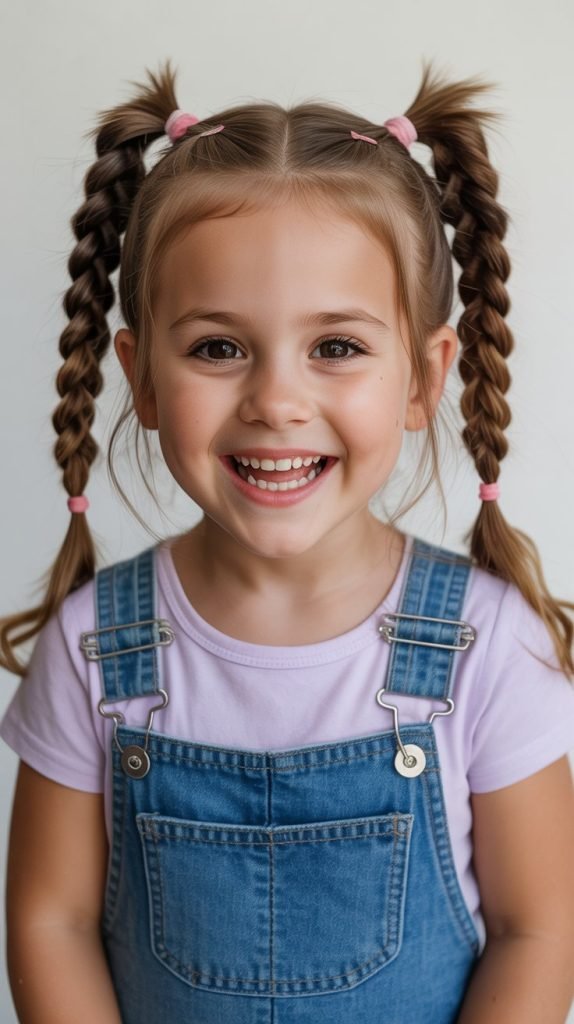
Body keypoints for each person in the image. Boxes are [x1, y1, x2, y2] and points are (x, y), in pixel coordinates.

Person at [1, 60, 573, 1024]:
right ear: (139, 378)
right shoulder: (94, 648)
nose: (275, 400)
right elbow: (48, 923)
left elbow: (541, 930)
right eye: (218, 348)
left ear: (424, 376)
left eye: (337, 347)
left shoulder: (489, 646)